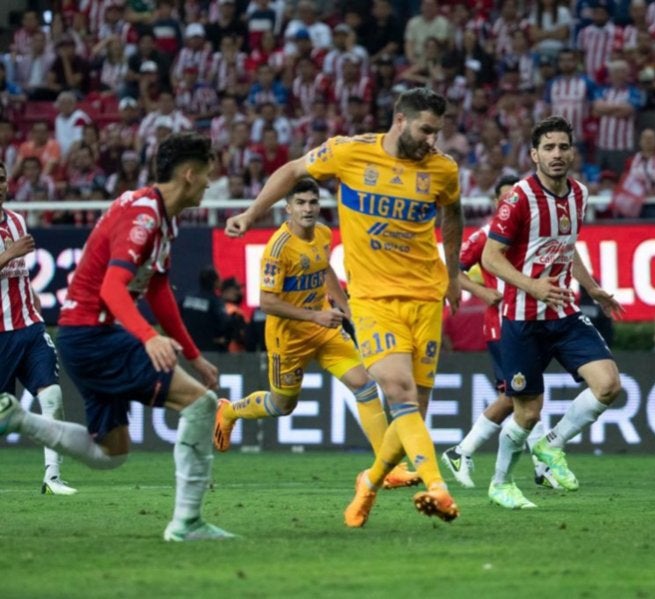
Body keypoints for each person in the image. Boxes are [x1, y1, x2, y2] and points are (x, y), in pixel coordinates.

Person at [225, 87, 463, 527]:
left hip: (425, 298)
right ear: (399, 120)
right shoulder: (349, 153)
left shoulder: (443, 169)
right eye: (426, 130)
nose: (432, 140)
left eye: (437, 132)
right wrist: (251, 212)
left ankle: (369, 483)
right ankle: (438, 488)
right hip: (372, 299)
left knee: (412, 414)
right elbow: (292, 168)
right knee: (398, 393)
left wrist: (452, 274)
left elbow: (453, 214)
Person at [0, 133, 236, 542]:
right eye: (207, 175)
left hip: (84, 335)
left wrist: (195, 356)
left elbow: (159, 291)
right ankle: (187, 523)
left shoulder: (160, 216)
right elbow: (112, 288)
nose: (209, 184)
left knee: (111, 453)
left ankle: (17, 418)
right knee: (201, 405)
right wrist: (148, 337)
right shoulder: (143, 214)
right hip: (94, 333)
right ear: (189, 173)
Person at [214, 177, 419, 488]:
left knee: (365, 386)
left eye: (312, 202)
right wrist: (315, 315)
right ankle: (230, 411)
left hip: (325, 329)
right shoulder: (277, 249)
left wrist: (350, 312)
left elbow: (324, 269)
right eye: (300, 203)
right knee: (282, 405)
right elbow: (267, 302)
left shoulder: (323, 233)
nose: (307, 209)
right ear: (288, 209)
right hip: (290, 338)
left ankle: (388, 469)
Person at [481, 116, 624, 509]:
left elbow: (567, 246)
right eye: (548, 148)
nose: (557, 154)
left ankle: (551, 445)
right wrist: (532, 286)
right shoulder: (519, 199)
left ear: (572, 152)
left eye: (563, 147)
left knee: (609, 384)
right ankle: (500, 483)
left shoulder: (578, 193)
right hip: (523, 317)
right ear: (534, 155)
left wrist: (593, 287)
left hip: (563, 313)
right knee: (526, 413)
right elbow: (490, 258)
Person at [441, 175, 561, 490]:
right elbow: (452, 270)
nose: (512, 204)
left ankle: (538, 466)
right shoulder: (484, 237)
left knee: (524, 396)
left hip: (529, 321)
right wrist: (481, 293)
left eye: (516, 198)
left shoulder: (531, 235)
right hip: (501, 325)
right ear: (497, 203)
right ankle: (465, 451)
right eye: (506, 198)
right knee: (519, 396)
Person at [0, 160, 77, 495]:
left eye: (2, 179)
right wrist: (9, 253)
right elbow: (11, 259)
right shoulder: (14, 235)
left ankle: (53, 475)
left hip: (29, 327)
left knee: (53, 396)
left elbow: (18, 273)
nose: (0, 184)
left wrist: (30, 293)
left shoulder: (16, 220)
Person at [179, 266, 228, 353]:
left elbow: (177, 318)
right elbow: (224, 323)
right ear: (215, 282)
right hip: (208, 350)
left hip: (186, 348)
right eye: (219, 278)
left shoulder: (186, 299)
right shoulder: (215, 302)